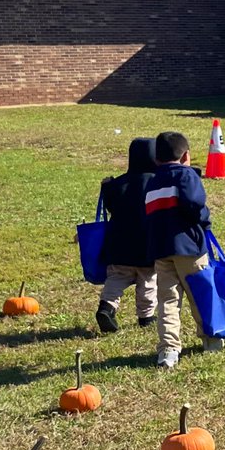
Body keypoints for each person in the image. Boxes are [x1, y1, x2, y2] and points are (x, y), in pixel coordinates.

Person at [145, 131, 220, 368]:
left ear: (156, 159)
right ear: (186, 155)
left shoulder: (153, 180)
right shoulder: (186, 175)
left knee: (167, 299)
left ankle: (168, 349)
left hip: (161, 247)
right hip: (189, 247)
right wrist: (205, 222)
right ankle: (210, 338)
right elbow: (195, 204)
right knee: (199, 292)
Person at [95, 138, 158, 333]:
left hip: (118, 243)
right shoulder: (156, 184)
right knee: (147, 281)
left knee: (116, 278)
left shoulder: (117, 184)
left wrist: (107, 186)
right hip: (147, 245)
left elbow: (111, 205)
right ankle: (146, 317)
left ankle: (107, 307)